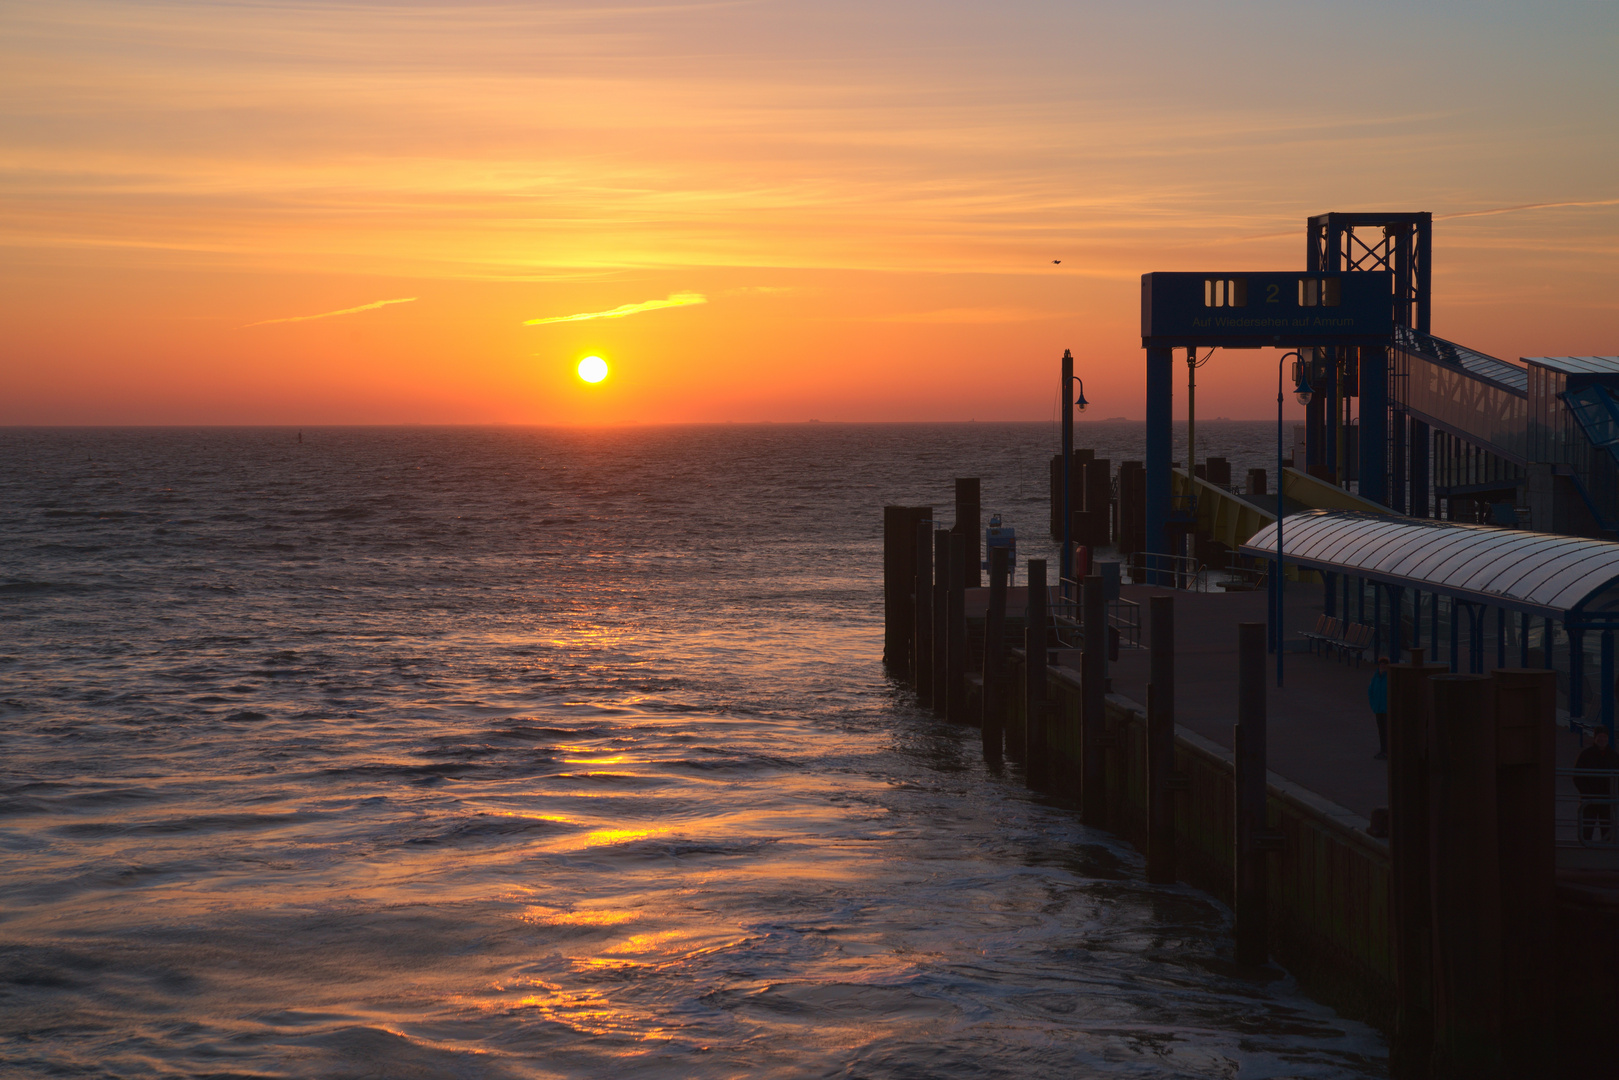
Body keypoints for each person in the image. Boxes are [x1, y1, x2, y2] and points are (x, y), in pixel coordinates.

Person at [1574, 727, 1619, 844]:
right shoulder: (1586, 755)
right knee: (1587, 829)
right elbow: (1577, 776)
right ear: (1595, 738)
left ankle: (1604, 849)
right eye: (1600, 737)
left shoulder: (1614, 757)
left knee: (1607, 828)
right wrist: (1586, 792)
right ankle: (1586, 848)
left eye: (1604, 737)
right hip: (1590, 798)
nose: (1602, 739)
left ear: (1608, 739)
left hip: (1606, 799)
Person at [1368, 656, 1390, 760]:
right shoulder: (1375, 677)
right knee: (1381, 730)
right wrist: (1373, 705)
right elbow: (1371, 691)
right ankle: (1383, 750)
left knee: (1387, 730)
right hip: (1378, 708)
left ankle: (1387, 751)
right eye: (1381, 664)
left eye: (1385, 664)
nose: (1383, 666)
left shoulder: (1390, 677)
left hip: (1386, 709)